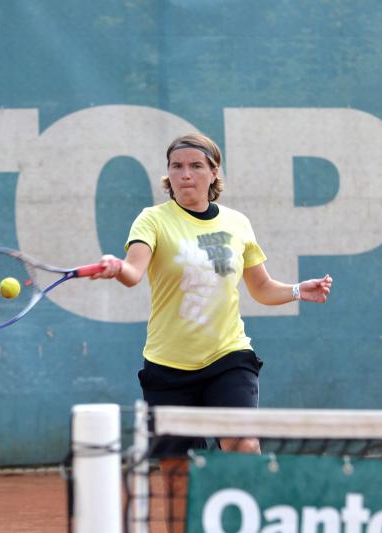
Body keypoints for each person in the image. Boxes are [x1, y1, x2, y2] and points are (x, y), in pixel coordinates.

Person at [91, 132, 333, 528]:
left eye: (195, 166)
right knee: (178, 475)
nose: (185, 174)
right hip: (168, 367)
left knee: (242, 443)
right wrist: (118, 268)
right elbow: (134, 272)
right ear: (168, 174)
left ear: (213, 172)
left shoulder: (237, 223)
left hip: (228, 356)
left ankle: (256, 523)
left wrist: (296, 291)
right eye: (176, 167)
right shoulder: (152, 220)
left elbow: (260, 288)